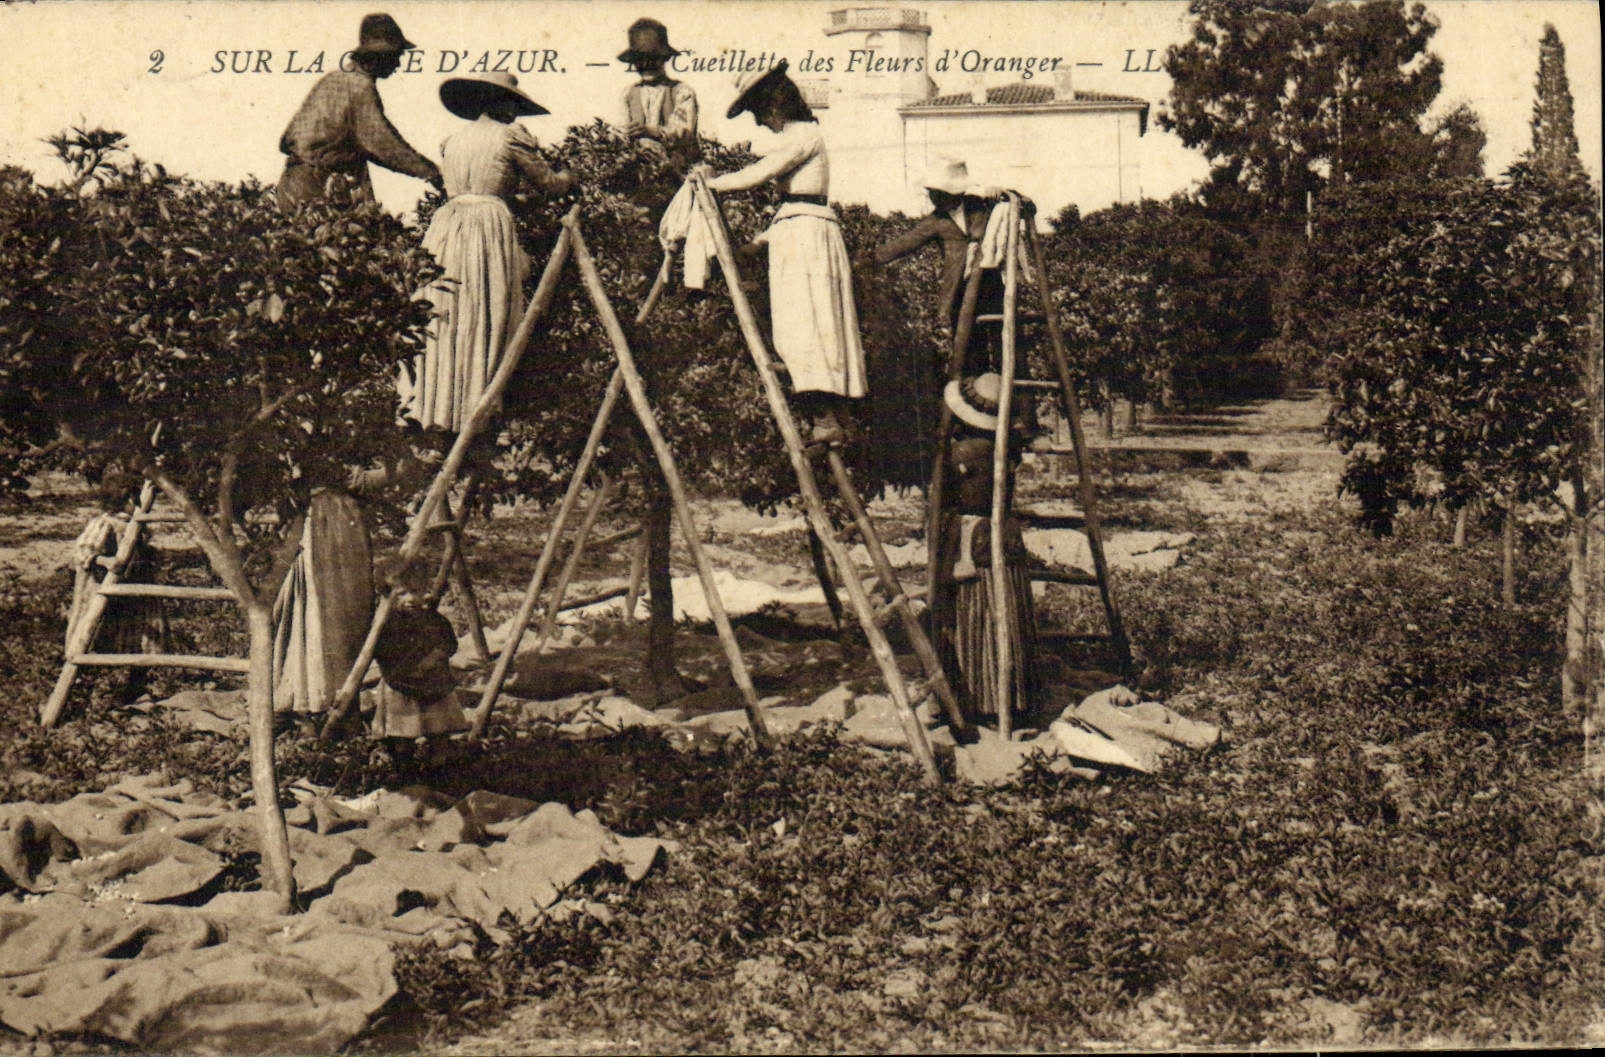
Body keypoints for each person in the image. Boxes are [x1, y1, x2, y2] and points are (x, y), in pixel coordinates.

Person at [701, 60, 866, 444]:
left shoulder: (803, 135)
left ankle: (827, 418)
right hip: (801, 235)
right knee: (806, 323)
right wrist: (759, 242)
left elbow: (762, 173)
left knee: (808, 325)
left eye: (759, 113)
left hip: (807, 241)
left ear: (775, 106)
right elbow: (793, 207)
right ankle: (830, 418)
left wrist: (712, 184)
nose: (759, 123)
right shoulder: (798, 137)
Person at [404, 71, 574, 433]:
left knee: (448, 312)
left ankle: (439, 408)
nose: (515, 112)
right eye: (512, 104)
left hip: (448, 225)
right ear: (495, 102)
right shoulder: (509, 137)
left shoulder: (453, 140)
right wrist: (570, 176)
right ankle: (477, 409)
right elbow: (549, 184)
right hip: (486, 228)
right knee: (487, 306)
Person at [939, 373, 1040, 724]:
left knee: (973, 618)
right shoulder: (1005, 449)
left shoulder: (963, 451)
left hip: (974, 537)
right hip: (1003, 534)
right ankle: (1012, 698)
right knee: (1006, 614)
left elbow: (950, 497)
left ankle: (977, 700)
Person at [275, 13, 440, 211]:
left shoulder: (334, 79)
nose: (398, 64)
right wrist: (429, 172)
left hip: (292, 186)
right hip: (318, 189)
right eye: (396, 56)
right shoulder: (360, 87)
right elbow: (381, 144)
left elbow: (287, 141)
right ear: (380, 56)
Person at [619, 18, 698, 148]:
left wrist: (652, 131)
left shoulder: (682, 92)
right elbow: (621, 127)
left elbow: (684, 132)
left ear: (664, 57)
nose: (646, 64)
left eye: (653, 58)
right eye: (640, 60)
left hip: (676, 163)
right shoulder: (628, 94)